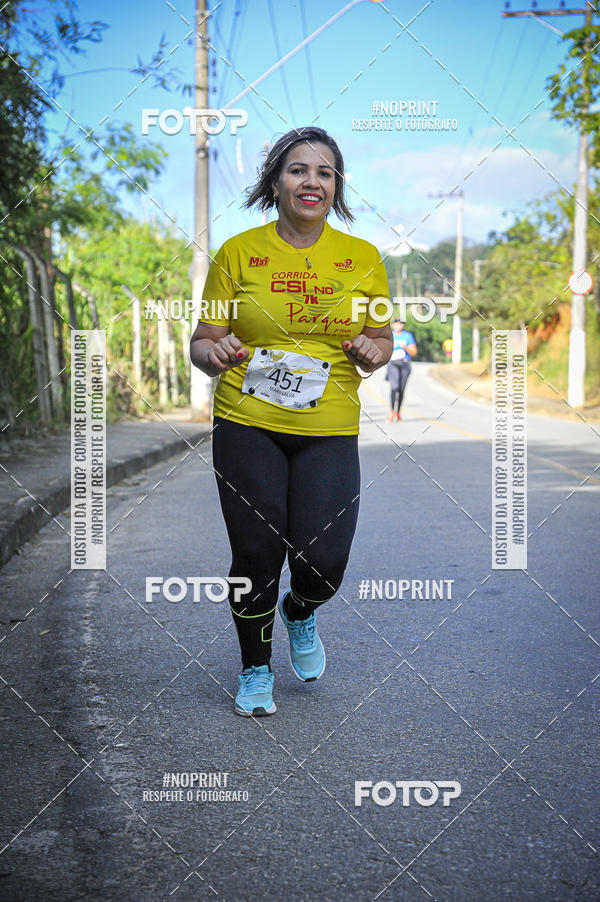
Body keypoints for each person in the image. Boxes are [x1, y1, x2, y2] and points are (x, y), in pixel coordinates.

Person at [190, 126, 392, 717]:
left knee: (323, 562)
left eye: (325, 172)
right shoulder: (236, 253)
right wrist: (216, 354)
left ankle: (301, 609)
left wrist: (372, 353)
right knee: (255, 552)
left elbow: (381, 341)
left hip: (328, 425)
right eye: (299, 170)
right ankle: (255, 669)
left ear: (336, 187)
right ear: (275, 181)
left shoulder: (363, 260)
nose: (312, 181)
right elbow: (202, 342)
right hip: (245, 419)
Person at [386, 319, 417, 422]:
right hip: (393, 363)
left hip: (404, 363)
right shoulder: (389, 335)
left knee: (401, 389)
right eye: (397, 323)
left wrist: (405, 347)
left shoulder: (408, 336)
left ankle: (398, 413)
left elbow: (414, 353)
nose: (399, 325)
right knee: (395, 387)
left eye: (401, 323)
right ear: (393, 325)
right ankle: (391, 411)